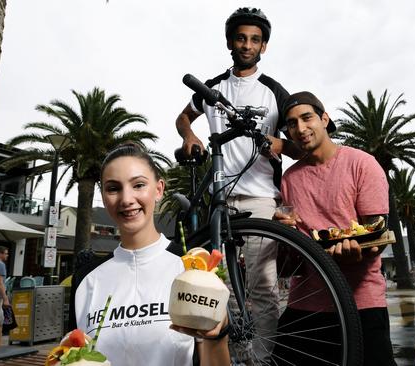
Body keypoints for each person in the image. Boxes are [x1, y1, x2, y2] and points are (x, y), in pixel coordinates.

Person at [175, 7, 298, 361]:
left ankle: (259, 358)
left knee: (262, 286)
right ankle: (226, 356)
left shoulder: (275, 92)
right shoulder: (212, 88)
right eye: (241, 38)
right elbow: (184, 116)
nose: (247, 44)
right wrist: (190, 136)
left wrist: (280, 145)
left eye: (255, 40)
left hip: (261, 197)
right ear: (230, 42)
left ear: (264, 47)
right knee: (216, 285)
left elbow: (297, 141)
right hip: (220, 197)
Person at [73, 144, 230, 366]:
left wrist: (220, 330)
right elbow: (72, 355)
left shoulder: (195, 269)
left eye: (138, 185)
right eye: (113, 188)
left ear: (158, 190)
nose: (126, 199)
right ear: (104, 197)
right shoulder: (86, 279)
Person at [273, 91, 397, 365]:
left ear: (325, 118)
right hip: (305, 303)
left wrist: (360, 251)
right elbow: (287, 266)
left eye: (307, 118)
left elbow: (376, 236)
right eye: (292, 124)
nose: (300, 128)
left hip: (361, 303)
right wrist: (283, 236)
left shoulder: (362, 164)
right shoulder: (289, 179)